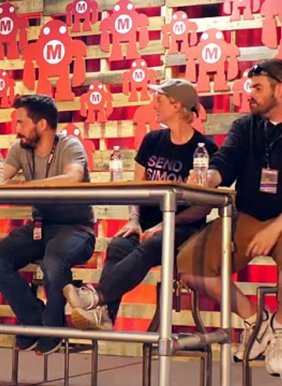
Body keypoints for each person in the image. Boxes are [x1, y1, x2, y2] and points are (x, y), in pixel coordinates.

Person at [177, 59, 282, 376]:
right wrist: (207, 178)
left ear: (281, 89)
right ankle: (258, 322)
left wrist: (275, 230)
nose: (248, 94)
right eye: (248, 87)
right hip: (252, 215)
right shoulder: (246, 126)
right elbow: (226, 161)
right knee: (188, 266)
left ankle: (281, 329)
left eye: (256, 87)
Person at [63, 79, 218, 330]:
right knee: (119, 245)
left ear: (177, 105)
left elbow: (203, 206)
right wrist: (133, 219)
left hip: (184, 228)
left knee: (155, 243)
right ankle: (105, 315)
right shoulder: (152, 140)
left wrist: (166, 223)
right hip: (145, 222)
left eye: (160, 100)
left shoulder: (205, 149)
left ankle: (97, 298)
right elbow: (138, 188)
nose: (154, 105)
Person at [0, 94, 96, 355]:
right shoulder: (19, 148)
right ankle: (36, 322)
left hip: (77, 229)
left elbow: (73, 177)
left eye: (21, 123)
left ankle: (54, 328)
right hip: (39, 226)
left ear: (42, 125)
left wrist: (29, 186)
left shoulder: (70, 145)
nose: (17, 129)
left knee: (53, 261)